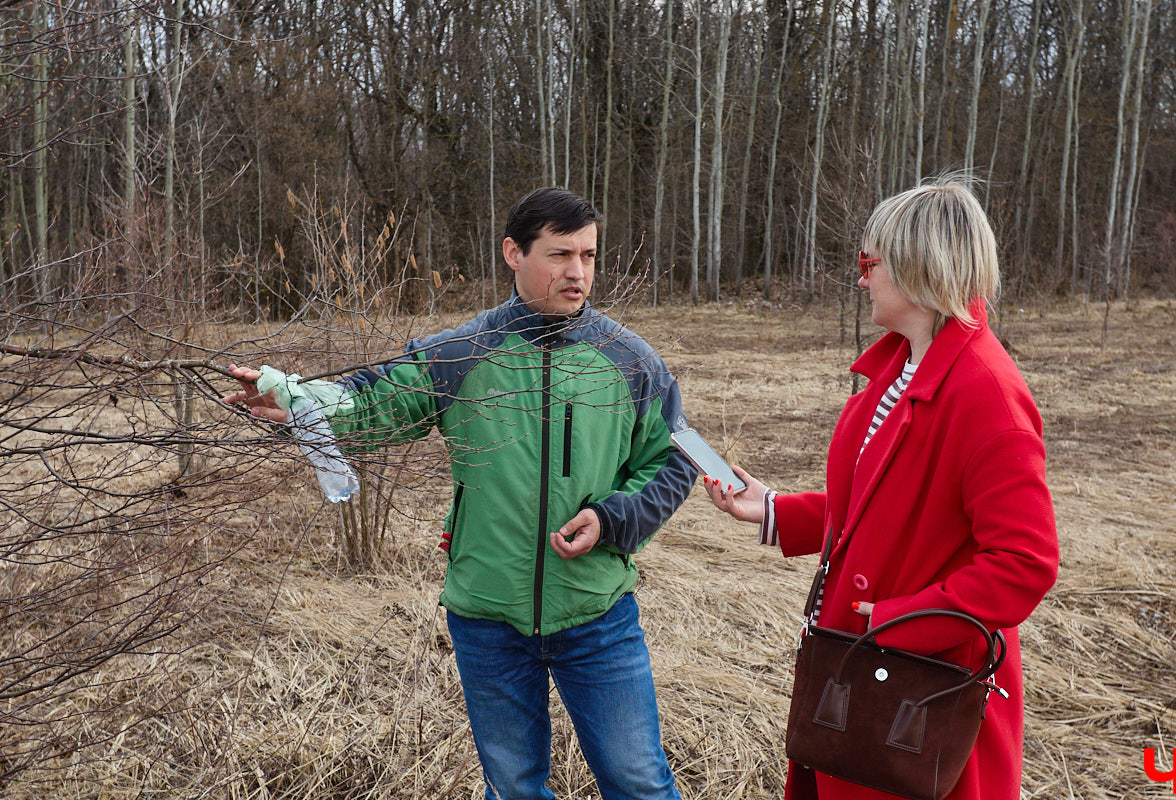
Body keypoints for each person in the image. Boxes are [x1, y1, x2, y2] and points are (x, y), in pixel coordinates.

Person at [222, 188, 698, 800]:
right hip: (487, 618)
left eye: (588, 256)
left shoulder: (632, 362)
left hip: (597, 614)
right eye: (559, 255)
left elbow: (675, 461)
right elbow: (376, 405)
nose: (577, 273)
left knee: (638, 784)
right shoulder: (462, 353)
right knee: (514, 789)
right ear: (512, 253)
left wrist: (611, 520)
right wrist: (292, 396)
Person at [703, 176, 1058, 800]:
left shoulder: (987, 397)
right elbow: (881, 508)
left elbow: (1025, 563)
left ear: (922, 267)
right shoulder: (903, 364)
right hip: (861, 678)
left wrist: (897, 623)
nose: (861, 278)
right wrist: (774, 512)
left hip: (920, 697)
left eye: (870, 263)